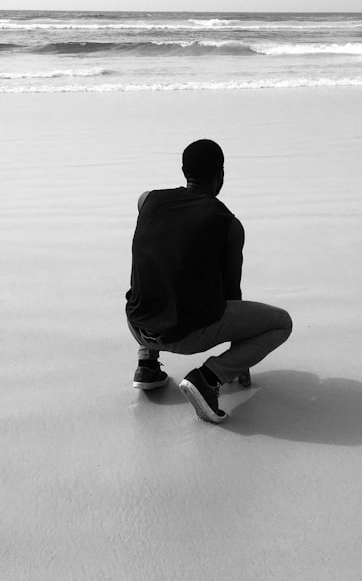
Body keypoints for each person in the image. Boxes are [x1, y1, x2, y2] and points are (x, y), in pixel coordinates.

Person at [125, 139, 292, 423]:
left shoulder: (147, 200)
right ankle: (209, 378)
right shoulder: (229, 225)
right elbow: (231, 292)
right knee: (281, 323)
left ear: (183, 170)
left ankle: (147, 365)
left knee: (158, 272)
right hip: (186, 336)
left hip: (137, 324)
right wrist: (240, 357)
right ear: (221, 175)